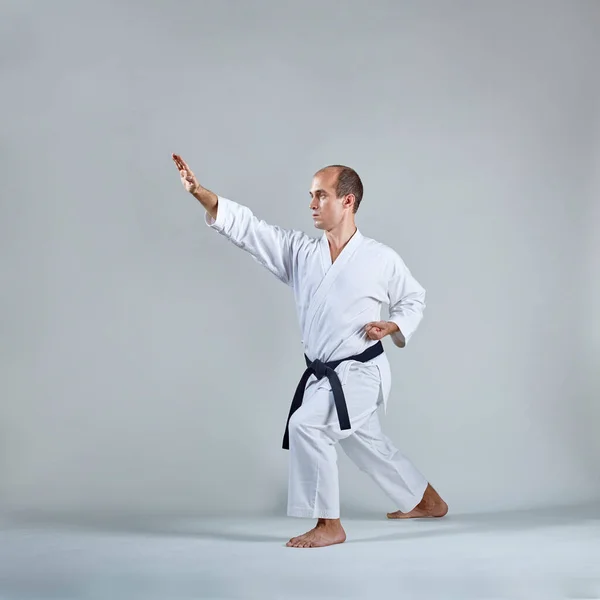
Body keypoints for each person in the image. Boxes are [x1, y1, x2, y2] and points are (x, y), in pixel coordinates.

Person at [171, 153, 448, 548]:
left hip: (362, 370)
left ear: (347, 201)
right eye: (311, 196)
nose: (312, 204)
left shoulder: (379, 257)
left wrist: (394, 325)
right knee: (365, 442)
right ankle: (428, 501)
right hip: (326, 374)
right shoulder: (300, 252)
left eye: (321, 195)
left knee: (308, 425)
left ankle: (328, 524)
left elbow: (413, 299)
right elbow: (249, 229)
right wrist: (200, 194)